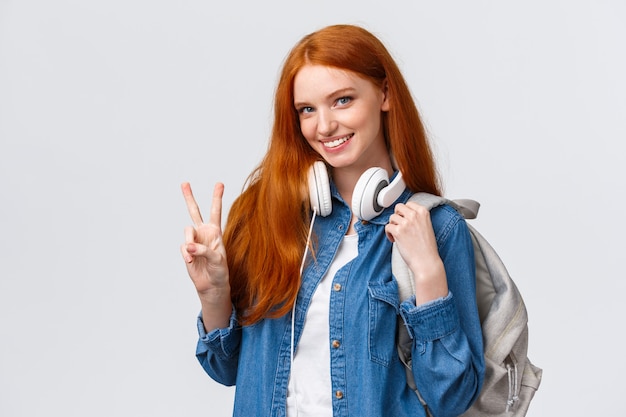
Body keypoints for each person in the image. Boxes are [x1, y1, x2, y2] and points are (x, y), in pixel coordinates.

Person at [180, 24, 484, 417]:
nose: (323, 126)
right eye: (307, 109)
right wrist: (214, 295)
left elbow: (451, 398)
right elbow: (226, 368)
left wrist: (427, 273)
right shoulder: (266, 213)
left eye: (342, 100)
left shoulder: (436, 228)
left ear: (385, 94)